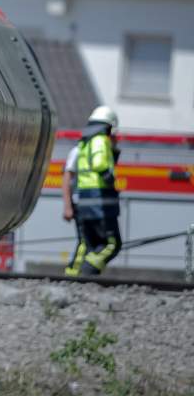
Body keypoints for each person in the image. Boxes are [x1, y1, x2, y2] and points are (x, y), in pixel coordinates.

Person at [65, 106, 121, 276]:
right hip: (100, 203)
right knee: (112, 244)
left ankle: (72, 275)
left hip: (84, 202)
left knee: (86, 244)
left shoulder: (83, 145)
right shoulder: (100, 141)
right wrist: (108, 177)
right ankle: (87, 272)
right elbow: (99, 164)